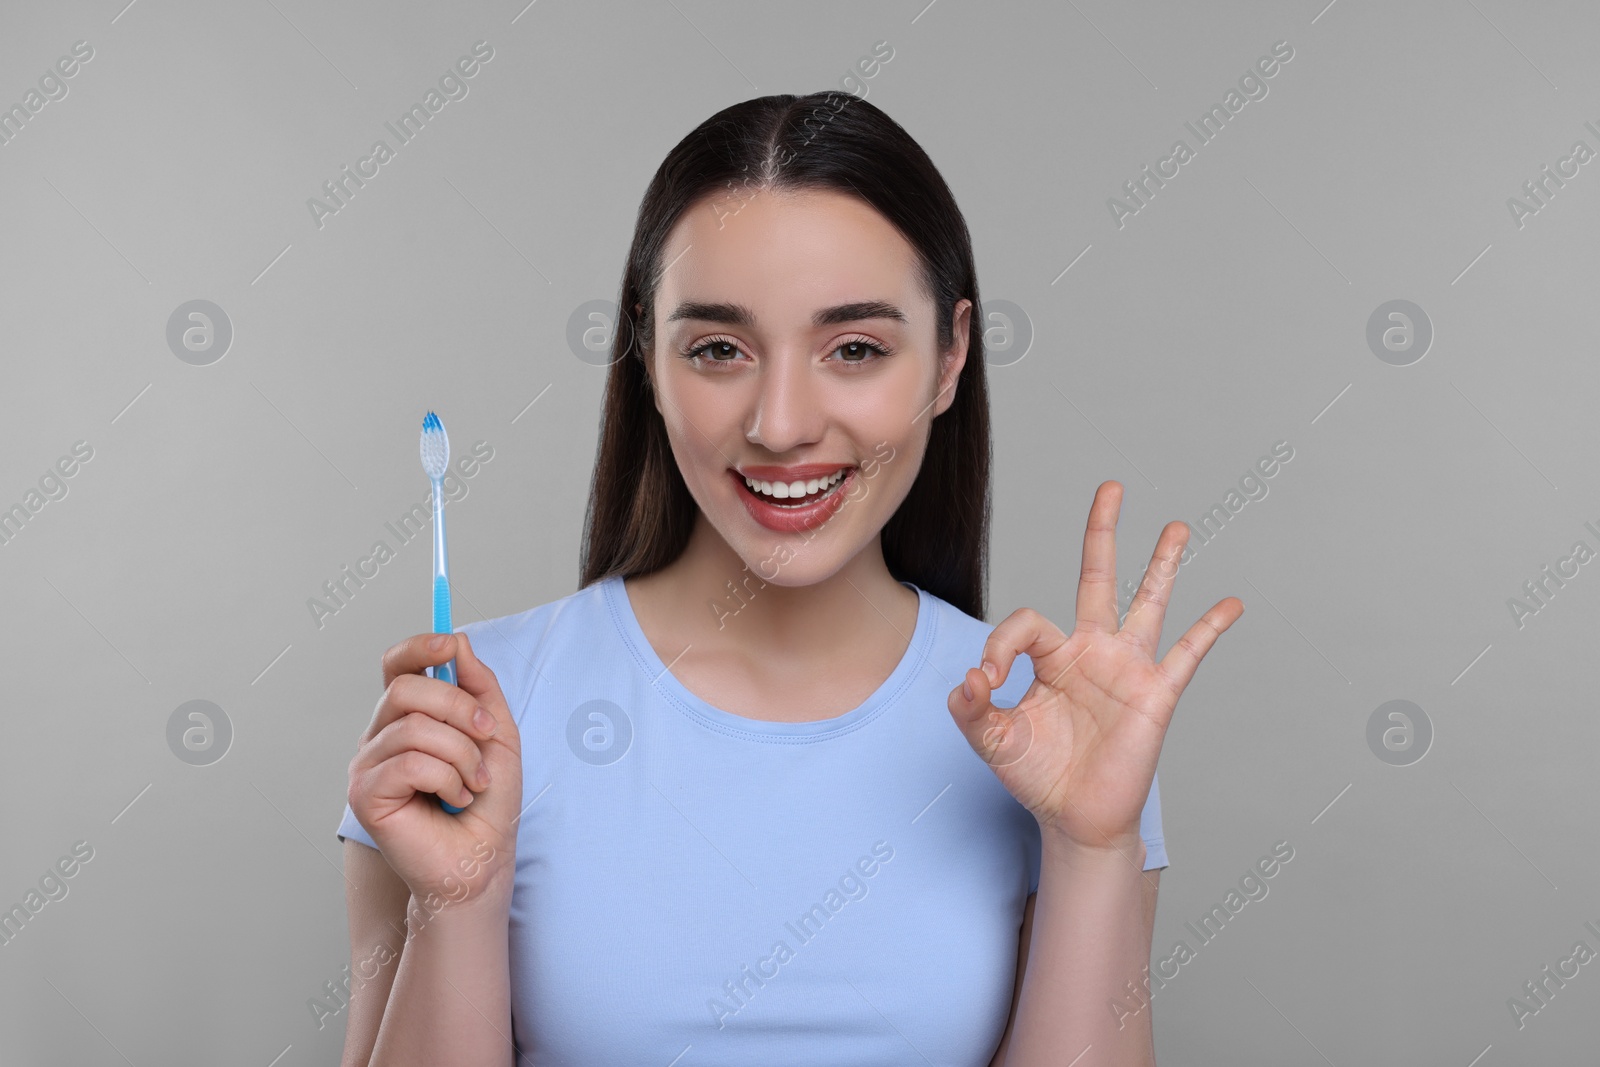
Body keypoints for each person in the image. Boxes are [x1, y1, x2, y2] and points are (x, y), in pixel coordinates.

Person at [335, 90, 1241, 1067]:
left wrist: (1094, 845)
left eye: (855, 348)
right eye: (718, 349)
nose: (779, 423)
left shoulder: (1053, 727)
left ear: (950, 359)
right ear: (647, 356)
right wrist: (458, 901)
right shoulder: (467, 721)